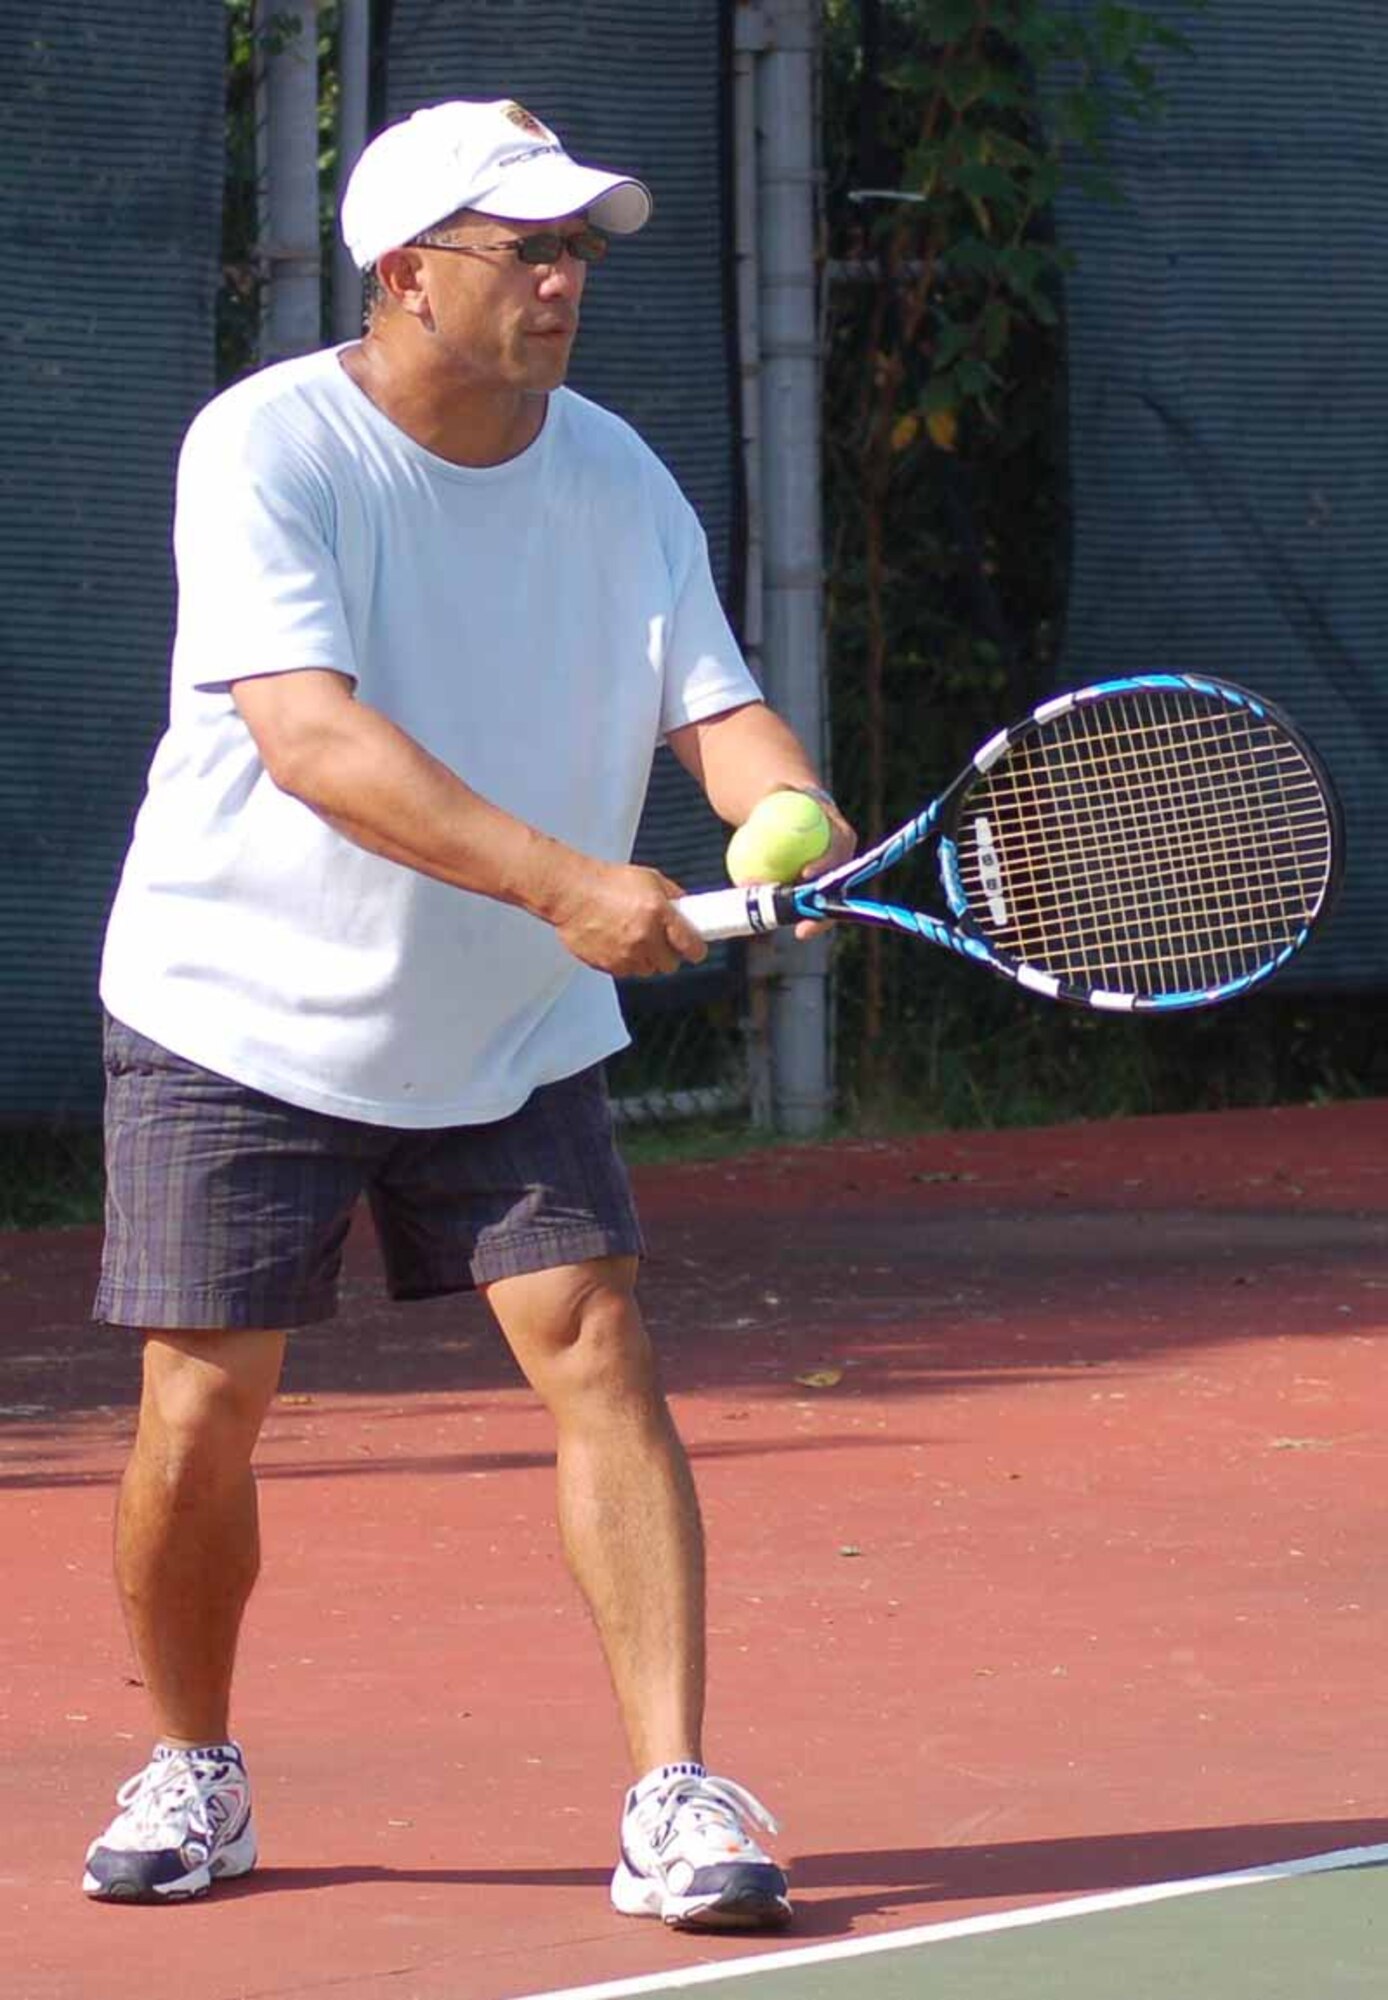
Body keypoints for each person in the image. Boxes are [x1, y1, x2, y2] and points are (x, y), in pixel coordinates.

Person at [81, 98, 853, 1931]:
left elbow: (715, 706)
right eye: (530, 249)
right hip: (237, 1006)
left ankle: (675, 1789)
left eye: (581, 246)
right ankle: (195, 1762)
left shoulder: (616, 471)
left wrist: (778, 812)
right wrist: (571, 883)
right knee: (202, 1406)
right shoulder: (270, 445)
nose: (568, 278)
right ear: (409, 272)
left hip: (506, 1026)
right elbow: (314, 741)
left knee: (600, 1346)